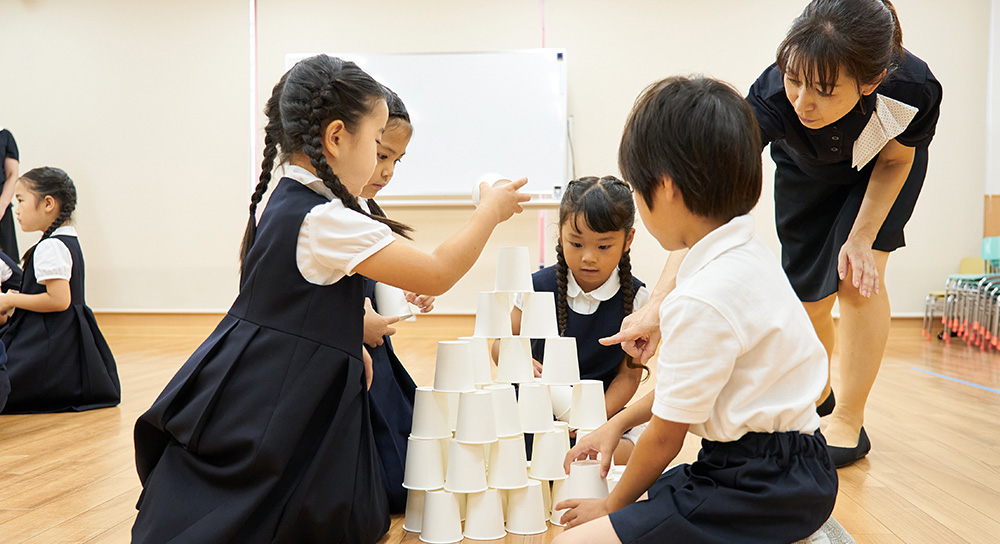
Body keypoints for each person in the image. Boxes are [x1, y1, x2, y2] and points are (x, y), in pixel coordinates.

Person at [132, 55, 529, 544]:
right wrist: (490, 212)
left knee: (307, 501)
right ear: (338, 137)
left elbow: (294, 300)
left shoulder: (291, 195)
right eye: (378, 140)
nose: (382, 160)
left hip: (271, 368)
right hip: (282, 381)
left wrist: (344, 338)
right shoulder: (327, 219)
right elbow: (438, 274)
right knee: (268, 506)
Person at [552, 76, 838, 544]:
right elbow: (684, 396)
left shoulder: (702, 297)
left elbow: (666, 436)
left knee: (573, 541)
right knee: (649, 494)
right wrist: (617, 424)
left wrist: (609, 508)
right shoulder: (748, 251)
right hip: (801, 466)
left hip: (759, 487)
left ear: (664, 189)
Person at [745, 0, 942, 467]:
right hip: (804, 172)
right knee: (807, 302)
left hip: (883, 168)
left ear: (871, 82)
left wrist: (861, 239)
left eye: (824, 90)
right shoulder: (771, 94)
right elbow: (715, 188)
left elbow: (896, 159)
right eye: (794, 80)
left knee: (858, 279)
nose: (802, 102)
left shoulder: (910, 86)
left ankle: (849, 421)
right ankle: (822, 396)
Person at [503, 175, 649, 462]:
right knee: (511, 449)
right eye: (577, 244)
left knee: (633, 451)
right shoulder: (536, 287)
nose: (588, 258)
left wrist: (589, 418)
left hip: (598, 415)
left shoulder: (637, 298)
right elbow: (499, 341)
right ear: (561, 236)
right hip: (537, 411)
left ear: (627, 239)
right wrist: (516, 357)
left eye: (603, 246)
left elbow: (629, 375)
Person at [357, 85, 434, 513]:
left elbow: (375, 275)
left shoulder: (366, 211)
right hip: (343, 359)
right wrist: (353, 320)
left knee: (413, 472)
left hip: (375, 357)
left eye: (395, 162)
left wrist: (400, 290)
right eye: (381, 154)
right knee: (392, 485)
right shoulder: (325, 213)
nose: (386, 171)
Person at [0, 167, 120, 414]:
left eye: (21, 200)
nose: (17, 209)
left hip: (48, 342)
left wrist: (12, 299)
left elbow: (58, 300)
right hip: (62, 338)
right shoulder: (66, 240)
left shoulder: (50, 246)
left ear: (48, 204)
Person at [0, 127, 20, 261]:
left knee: (5, 265)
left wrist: (1, 205)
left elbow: (12, 175)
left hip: (1, 209)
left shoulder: (4, 136)